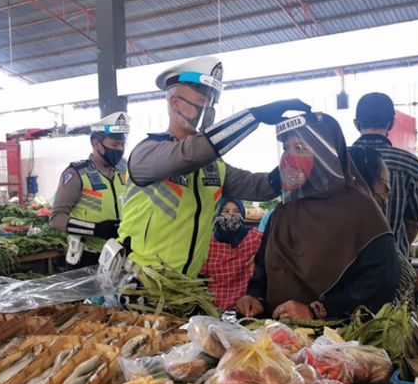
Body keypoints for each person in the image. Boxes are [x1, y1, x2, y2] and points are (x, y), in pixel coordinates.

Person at [117, 56, 310, 277]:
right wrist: (254, 116)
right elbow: (190, 154)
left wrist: (297, 158)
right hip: (139, 283)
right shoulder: (148, 154)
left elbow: (261, 187)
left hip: (183, 288)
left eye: (212, 102)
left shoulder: (213, 167)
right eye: (201, 99)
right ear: (174, 102)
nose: (207, 108)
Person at [236, 113, 400, 320]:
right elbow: (263, 269)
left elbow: (380, 282)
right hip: (274, 339)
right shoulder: (283, 211)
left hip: (335, 342)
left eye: (300, 148)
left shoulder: (360, 209)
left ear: (325, 153)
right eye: (286, 149)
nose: (289, 157)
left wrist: (316, 311)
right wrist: (255, 296)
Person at [352, 92, 418, 256]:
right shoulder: (410, 164)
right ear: (392, 123)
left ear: (356, 124)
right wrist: (398, 248)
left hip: (342, 270)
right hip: (393, 267)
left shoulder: (336, 163)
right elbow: (415, 222)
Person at [50, 112, 130, 266]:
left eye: (122, 145)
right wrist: (96, 229)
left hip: (121, 255)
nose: (119, 149)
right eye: (114, 145)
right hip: (88, 257)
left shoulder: (125, 171)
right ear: (96, 143)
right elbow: (56, 219)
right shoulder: (77, 173)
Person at [349, 146, 416, 310]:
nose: (387, 193)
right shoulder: (373, 234)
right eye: (384, 185)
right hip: (373, 329)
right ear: (363, 184)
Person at [200, 199, 263, 310]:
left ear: (242, 214)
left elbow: (269, 252)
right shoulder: (208, 243)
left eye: (236, 211)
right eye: (225, 211)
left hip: (244, 308)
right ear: (218, 214)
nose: (231, 215)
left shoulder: (254, 238)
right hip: (213, 308)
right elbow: (201, 277)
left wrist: (259, 257)